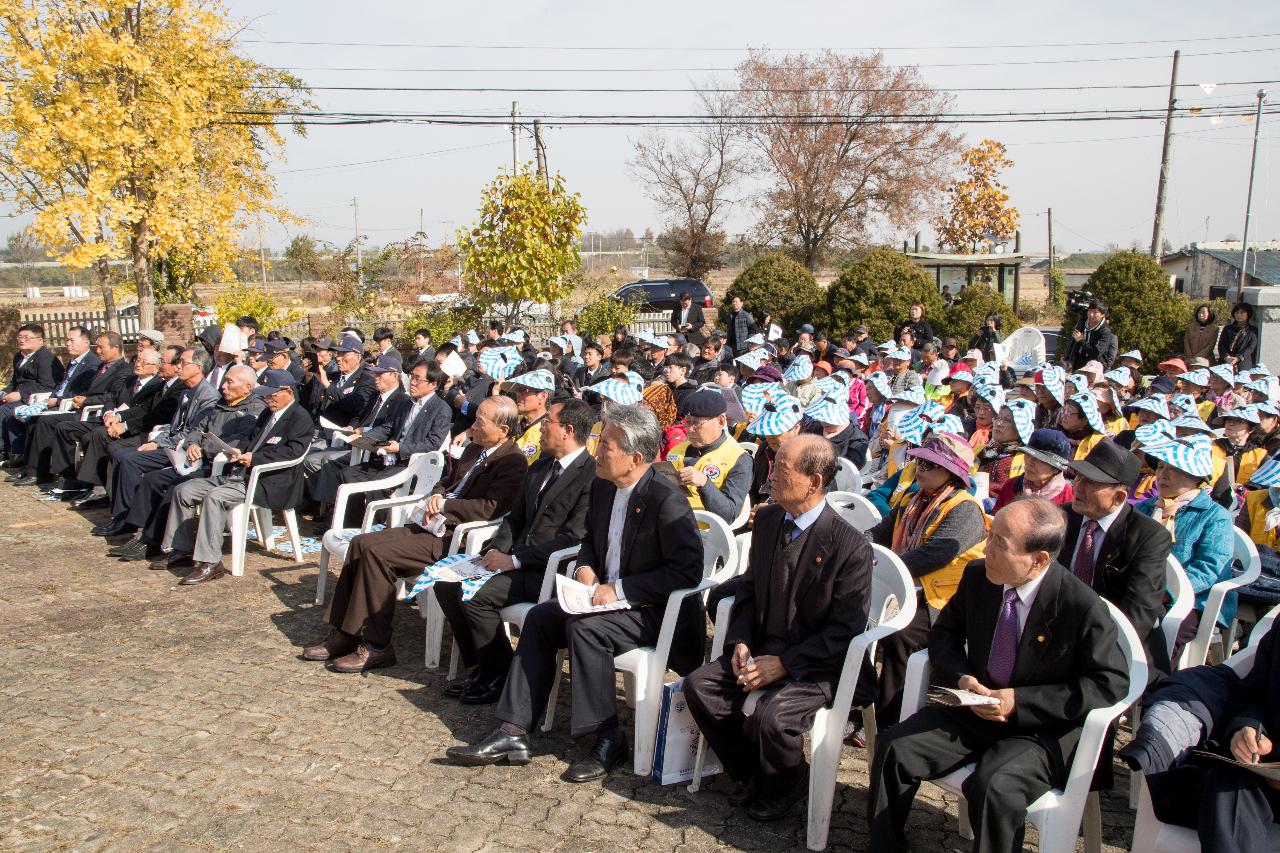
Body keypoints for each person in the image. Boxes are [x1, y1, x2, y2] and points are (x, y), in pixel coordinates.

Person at [445, 404, 704, 782]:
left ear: (635, 457)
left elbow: (686, 572)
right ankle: (513, 731)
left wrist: (619, 588)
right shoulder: (602, 485)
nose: (597, 450)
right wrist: (585, 567)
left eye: (606, 445)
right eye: (599, 441)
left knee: (586, 630)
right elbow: (590, 542)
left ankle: (608, 736)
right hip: (601, 598)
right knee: (541, 618)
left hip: (654, 610)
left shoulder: (666, 500)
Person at [868, 498, 1129, 853]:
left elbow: (1109, 682)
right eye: (990, 537)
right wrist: (961, 677)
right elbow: (943, 634)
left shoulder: (1080, 605)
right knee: (895, 746)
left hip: (1040, 729)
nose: (987, 549)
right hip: (976, 707)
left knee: (994, 785)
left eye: (1000, 544)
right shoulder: (979, 576)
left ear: (1039, 560)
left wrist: (1018, 701)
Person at [683, 435, 873, 821]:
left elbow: (843, 631)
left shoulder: (850, 546)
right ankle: (753, 773)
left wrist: (784, 663)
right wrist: (739, 641)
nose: (771, 473)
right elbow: (749, 589)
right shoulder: (770, 519)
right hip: (763, 645)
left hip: (818, 663)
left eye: (783, 468)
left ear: (814, 482)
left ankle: (786, 783)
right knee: (700, 686)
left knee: (774, 716)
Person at [304, 396, 527, 671]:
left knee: (377, 554)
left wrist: (446, 505)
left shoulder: (512, 461)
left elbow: (491, 508)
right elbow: (447, 482)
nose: (472, 427)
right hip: (430, 525)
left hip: (453, 538)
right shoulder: (473, 450)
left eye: (480, 422)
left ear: (503, 430)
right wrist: (437, 496)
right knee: (361, 543)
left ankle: (377, 645)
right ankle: (345, 633)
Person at [434, 398, 597, 705]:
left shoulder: (591, 476)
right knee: (446, 582)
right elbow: (515, 519)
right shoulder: (540, 466)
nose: (540, 427)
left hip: (549, 570)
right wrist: (495, 550)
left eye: (548, 422)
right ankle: (482, 668)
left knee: (477, 597)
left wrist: (514, 560)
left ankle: (500, 674)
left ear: (568, 430)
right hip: (515, 560)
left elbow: (573, 539)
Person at [868, 434, 988, 725]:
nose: (919, 468)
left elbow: (930, 557)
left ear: (951, 473)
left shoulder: (965, 509)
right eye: (919, 461)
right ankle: (859, 697)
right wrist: (858, 548)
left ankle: (889, 716)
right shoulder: (913, 499)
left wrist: (883, 565)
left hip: (944, 601)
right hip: (908, 588)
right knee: (848, 612)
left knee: (902, 633)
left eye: (929, 465)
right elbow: (879, 532)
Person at [161, 370, 316, 585]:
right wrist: (235, 451)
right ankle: (181, 548)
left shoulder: (300, 418)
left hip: (269, 482)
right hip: (241, 474)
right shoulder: (268, 413)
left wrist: (255, 458)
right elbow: (250, 439)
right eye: (265, 394)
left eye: (271, 395)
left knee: (215, 497)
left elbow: (293, 453)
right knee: (184, 490)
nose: (266, 399)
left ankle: (211, 562)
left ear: (287, 393)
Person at [105, 364, 264, 563]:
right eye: (225, 381)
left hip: (219, 466)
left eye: (229, 382)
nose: (223, 386)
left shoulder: (253, 410)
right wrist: (192, 443)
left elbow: (237, 442)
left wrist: (204, 448)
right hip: (194, 460)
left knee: (175, 487)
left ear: (247, 388)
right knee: (153, 480)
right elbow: (198, 427)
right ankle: (143, 535)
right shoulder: (221, 403)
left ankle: (161, 542)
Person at [1059, 441, 1173, 675]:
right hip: (1058, 630)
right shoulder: (1061, 516)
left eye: (1091, 483)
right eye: (1078, 477)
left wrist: (1083, 647)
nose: (1078, 487)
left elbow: (1138, 613)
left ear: (1119, 497)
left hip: (1115, 640)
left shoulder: (1149, 537)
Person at [1135, 433, 1235, 666]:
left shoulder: (1214, 516)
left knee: (1160, 638)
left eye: (1174, 468)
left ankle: (1154, 688)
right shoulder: (1144, 508)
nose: (1163, 475)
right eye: (1160, 466)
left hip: (1192, 600)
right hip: (1142, 589)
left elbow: (1210, 567)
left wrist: (1167, 590)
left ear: (1195, 476)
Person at [10, 330, 131, 487]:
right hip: (81, 408)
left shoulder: (123, 369)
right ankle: (34, 469)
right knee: (36, 419)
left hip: (95, 413)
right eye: (97, 347)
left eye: (102, 348)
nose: (98, 351)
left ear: (115, 348)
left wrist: (86, 401)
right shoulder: (102, 366)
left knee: (50, 423)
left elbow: (112, 396)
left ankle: (57, 476)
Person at [304, 355, 410, 518]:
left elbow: (388, 428)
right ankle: (327, 508)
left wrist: (363, 433)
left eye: (380, 374)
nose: (376, 378)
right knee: (317, 458)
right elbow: (360, 416)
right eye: (375, 374)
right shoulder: (376, 395)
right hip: (355, 442)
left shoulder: (401, 400)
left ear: (394, 375)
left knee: (329, 462)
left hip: (372, 449)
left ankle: (332, 512)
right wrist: (353, 427)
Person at [666, 389, 752, 524]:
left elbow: (729, 515)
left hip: (706, 533)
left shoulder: (738, 458)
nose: (690, 429)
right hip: (670, 522)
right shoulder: (676, 452)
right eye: (687, 422)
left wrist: (704, 484)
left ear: (720, 421)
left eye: (696, 423)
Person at [0, 323, 63, 465]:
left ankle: (18, 454)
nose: (22, 340)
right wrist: (5, 393)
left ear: (40, 341)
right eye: (20, 337)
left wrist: (20, 394)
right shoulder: (19, 356)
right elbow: (15, 381)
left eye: (27, 338)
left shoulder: (45, 358)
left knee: (7, 411)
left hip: (38, 397)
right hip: (21, 395)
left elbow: (48, 385)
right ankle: (4, 450)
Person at [992, 428, 1074, 512]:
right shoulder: (1011, 485)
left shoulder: (1069, 498)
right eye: (1027, 454)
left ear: (1056, 469)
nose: (1030, 462)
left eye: (1039, 459)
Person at [1066, 298, 1117, 371]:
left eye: (1095, 312)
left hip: (1095, 367)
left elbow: (1096, 353)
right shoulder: (1083, 324)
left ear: (1102, 314)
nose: (1091, 314)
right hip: (1078, 363)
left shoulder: (1105, 331)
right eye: (1089, 311)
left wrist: (1081, 340)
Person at [1218, 302, 1258, 370]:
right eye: (1237, 313)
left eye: (1242, 313)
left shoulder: (1252, 330)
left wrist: (1238, 358)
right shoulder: (1228, 328)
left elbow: (1251, 348)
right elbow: (1221, 345)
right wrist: (1226, 357)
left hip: (1243, 363)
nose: (1239, 315)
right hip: (1225, 362)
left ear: (1248, 314)